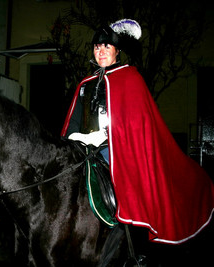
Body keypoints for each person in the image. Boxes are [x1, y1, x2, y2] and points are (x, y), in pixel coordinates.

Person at [61, 19, 214, 245]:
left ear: (117, 51)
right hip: (83, 148)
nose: (100, 51)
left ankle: (133, 242)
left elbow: (135, 125)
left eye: (106, 47)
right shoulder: (86, 83)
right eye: (96, 47)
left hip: (117, 149)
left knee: (126, 184)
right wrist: (72, 138)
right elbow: (73, 120)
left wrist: (105, 136)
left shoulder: (130, 78)